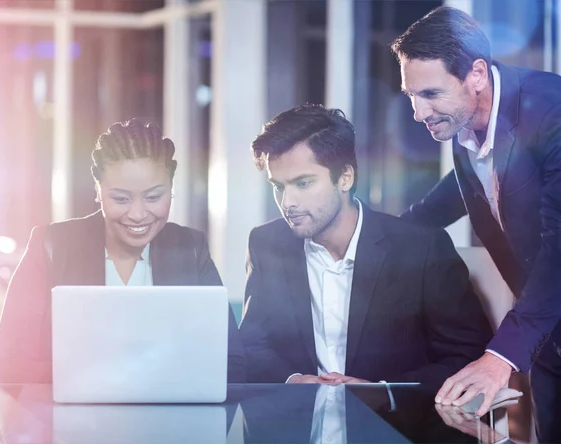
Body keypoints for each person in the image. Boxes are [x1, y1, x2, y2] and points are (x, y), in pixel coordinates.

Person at [391, 6, 561, 439]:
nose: (417, 112)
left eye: (429, 93)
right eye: (411, 95)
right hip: (548, 341)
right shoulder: (465, 124)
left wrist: (499, 357)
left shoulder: (552, 114)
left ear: (477, 74)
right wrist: (373, 236)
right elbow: (446, 201)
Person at [238, 103, 491, 394]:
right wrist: (293, 381)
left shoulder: (420, 248)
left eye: (303, 183)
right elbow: (253, 345)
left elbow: (468, 356)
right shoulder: (266, 243)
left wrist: (382, 392)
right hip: (299, 425)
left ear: (345, 177)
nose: (287, 203)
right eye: (279, 186)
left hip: (396, 428)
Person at [0, 118, 245, 384]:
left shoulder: (191, 249)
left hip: (170, 421)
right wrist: (108, 377)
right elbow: (7, 366)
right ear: (98, 191)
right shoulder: (51, 245)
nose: (137, 215)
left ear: (171, 190)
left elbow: (232, 364)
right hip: (71, 422)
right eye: (120, 199)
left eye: (154, 197)